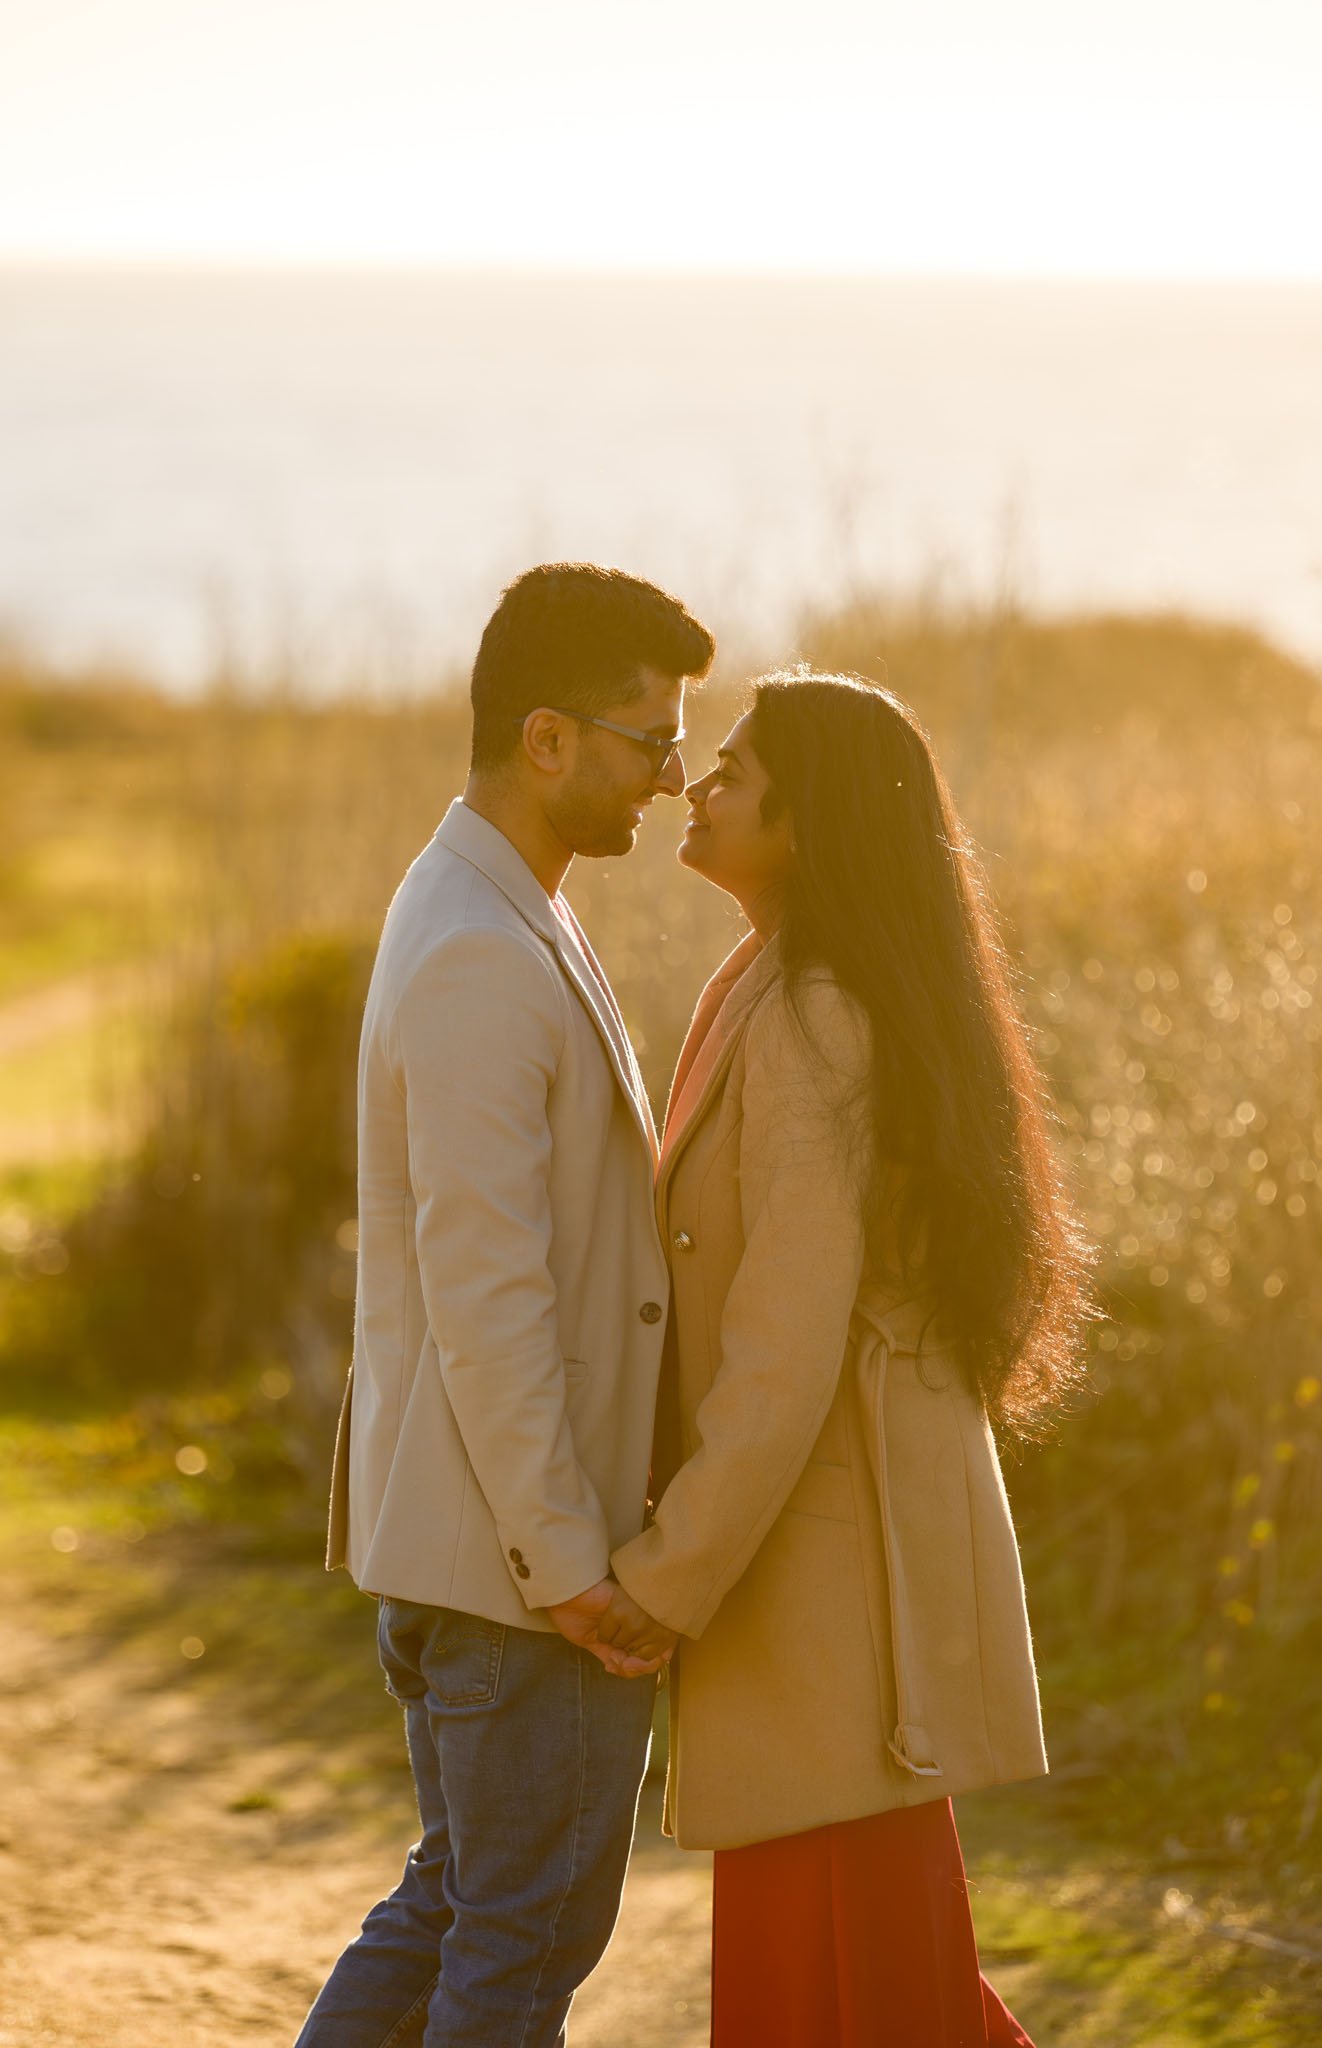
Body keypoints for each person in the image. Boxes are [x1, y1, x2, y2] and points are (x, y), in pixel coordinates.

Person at [598, 669, 1092, 2047]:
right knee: (877, 1986)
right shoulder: (765, 977)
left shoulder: (818, 1014)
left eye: (738, 772)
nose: (702, 784)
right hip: (813, 1586)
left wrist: (668, 1575)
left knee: (845, 1991)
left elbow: (783, 1345)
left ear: (809, 823)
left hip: (821, 1590)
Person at [295, 563, 713, 2048]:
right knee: (522, 1941)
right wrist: (568, 1560)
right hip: (511, 1569)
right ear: (548, 739)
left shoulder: (494, 899)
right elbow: (489, 1295)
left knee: (464, 1906)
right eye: (648, 738)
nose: (672, 778)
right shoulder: (480, 944)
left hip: (480, 1557)